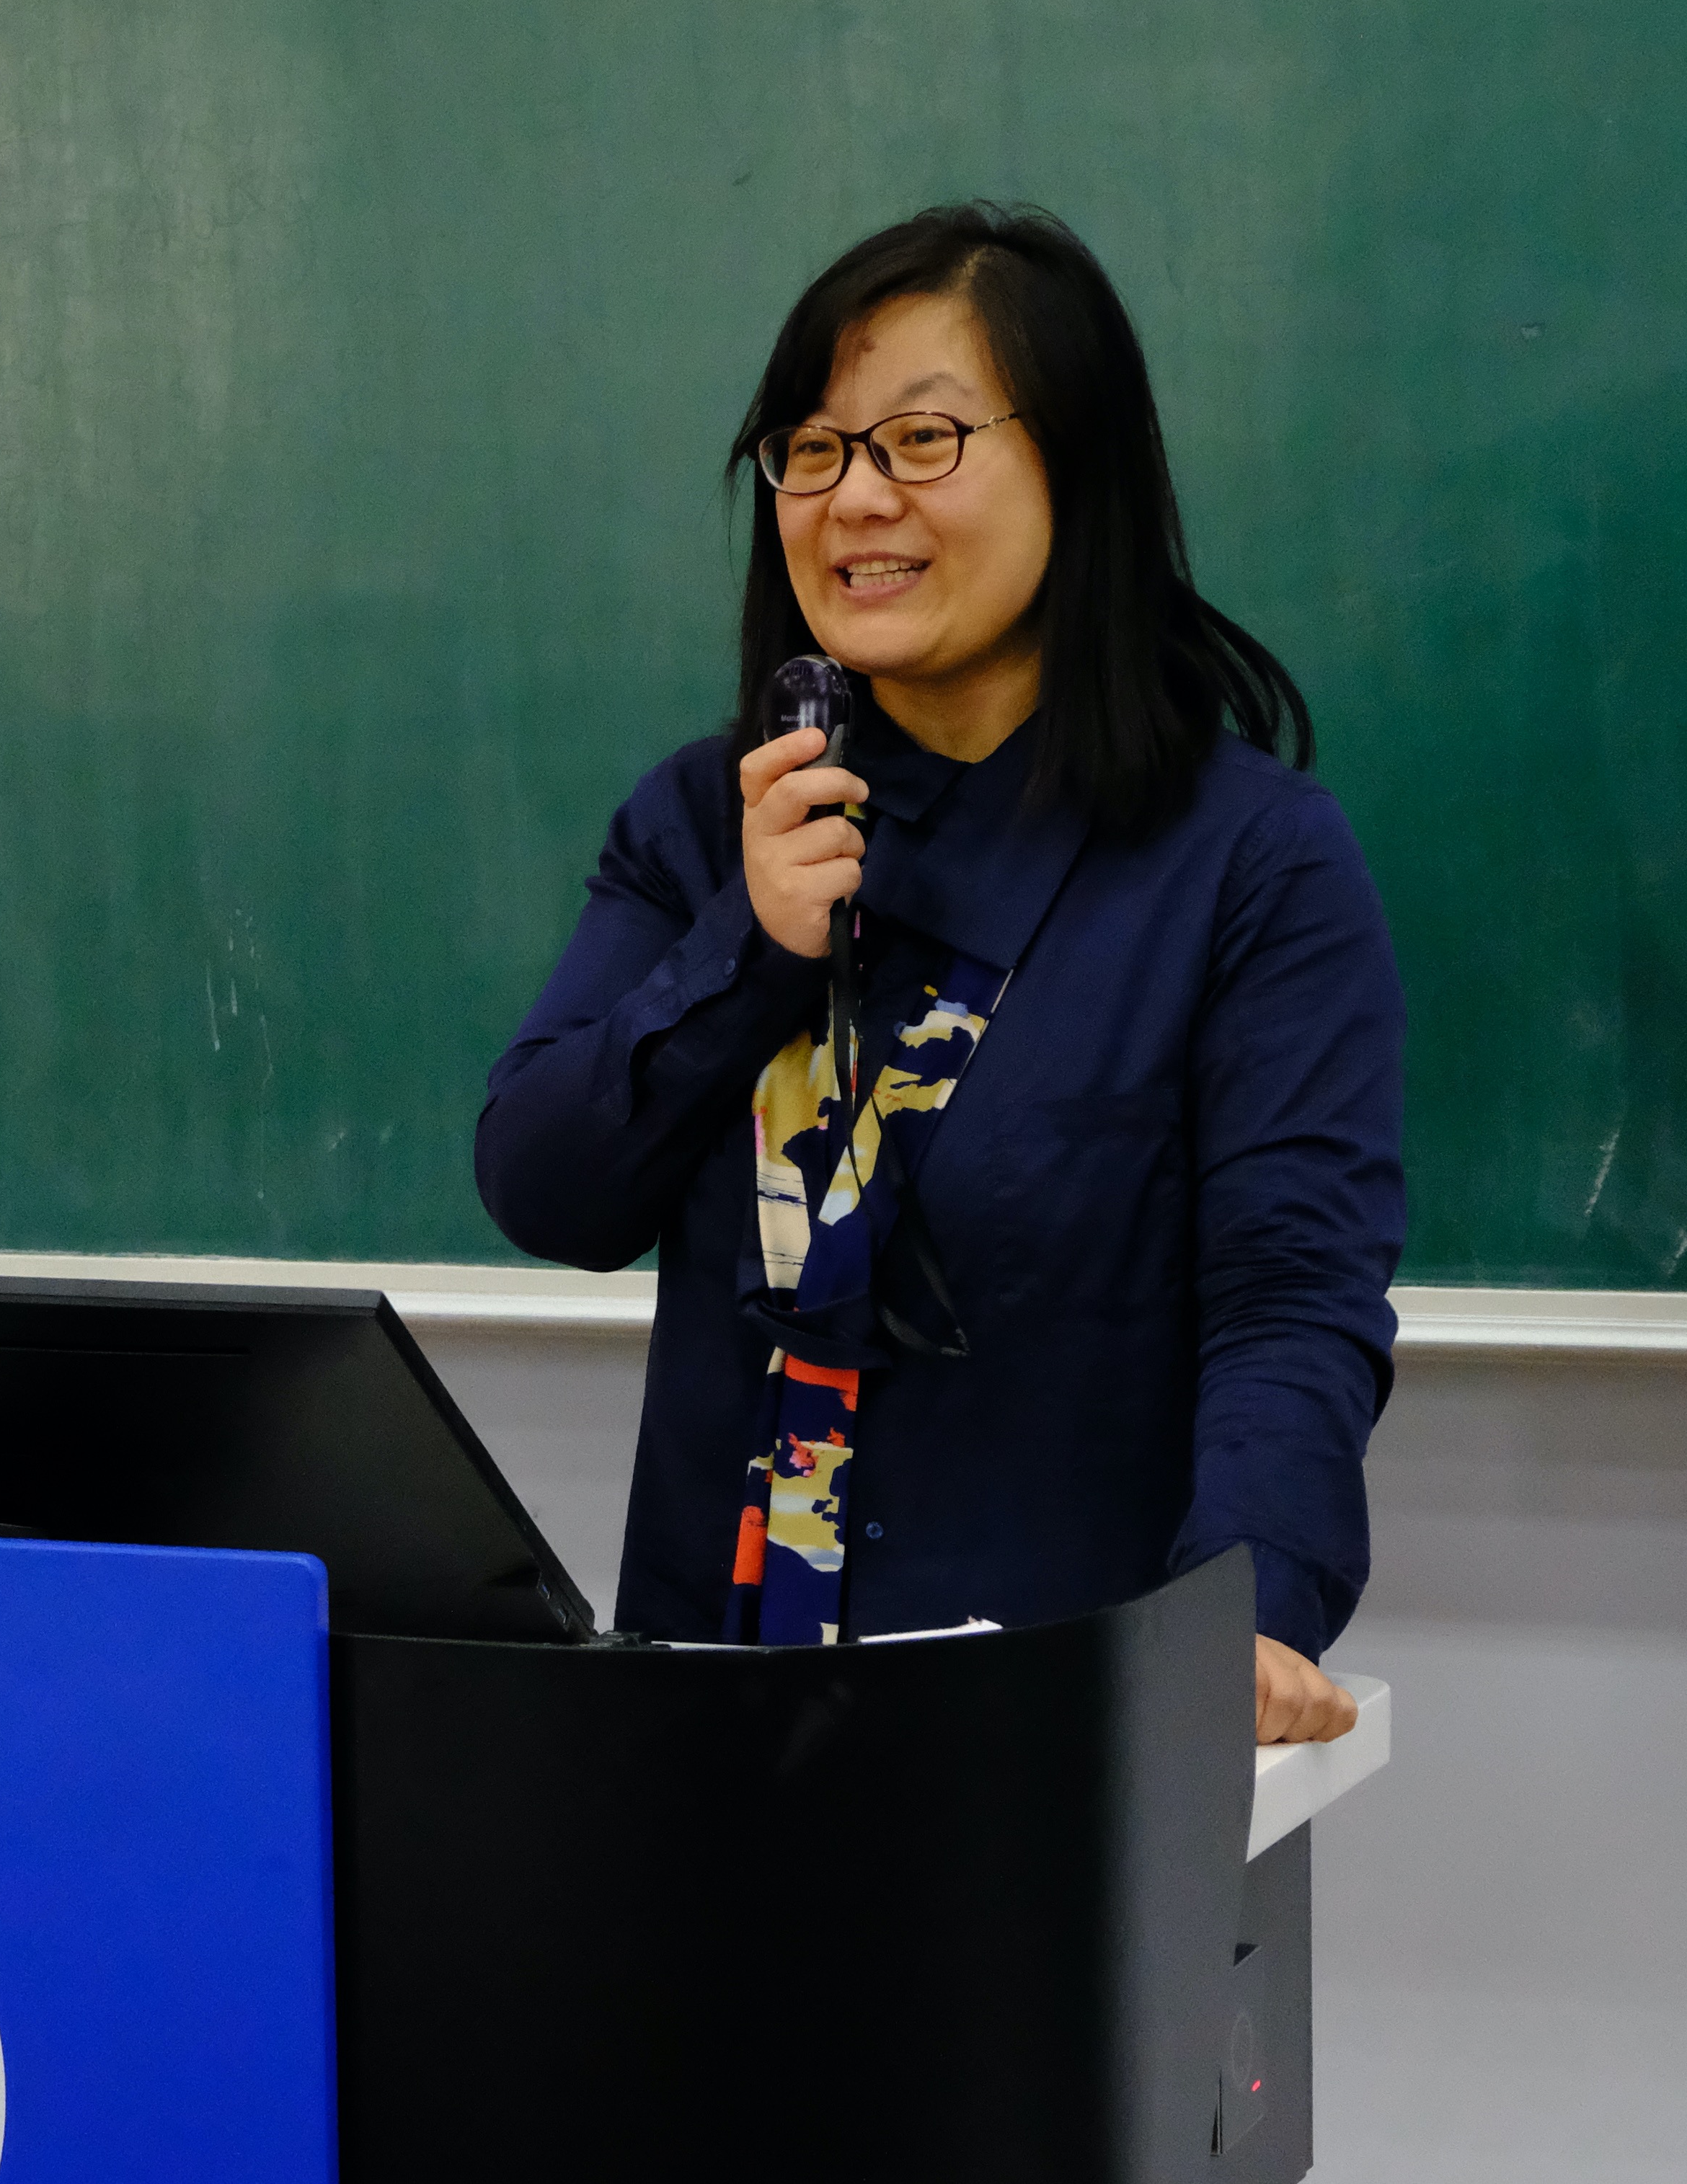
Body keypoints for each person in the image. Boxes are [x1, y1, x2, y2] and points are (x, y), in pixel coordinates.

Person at [474, 204, 1401, 1746]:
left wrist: (1246, 1612)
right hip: (704, 1725)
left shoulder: (1245, 860)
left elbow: (1291, 1296)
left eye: (922, 439)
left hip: (1056, 1734)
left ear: (1079, 470)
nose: (855, 498)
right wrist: (748, 945)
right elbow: (546, 1190)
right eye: (814, 449)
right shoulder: (709, 819)